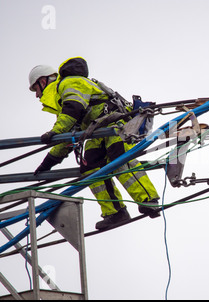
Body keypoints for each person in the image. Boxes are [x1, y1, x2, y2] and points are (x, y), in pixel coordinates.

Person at [29, 57, 160, 230]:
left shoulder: (70, 83)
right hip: (96, 131)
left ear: (43, 80)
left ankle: (148, 199)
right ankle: (115, 212)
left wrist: (54, 132)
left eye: (36, 89)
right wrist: (48, 163)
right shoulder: (63, 99)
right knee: (90, 168)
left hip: (113, 125)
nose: (37, 95)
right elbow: (68, 136)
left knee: (119, 157)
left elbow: (73, 109)